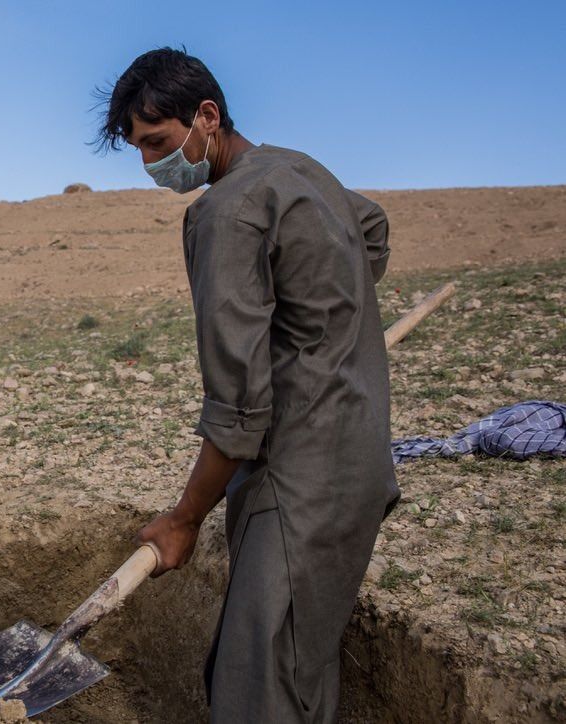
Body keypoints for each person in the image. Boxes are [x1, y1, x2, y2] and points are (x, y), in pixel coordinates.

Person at [97, 48, 398, 721]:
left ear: (207, 116)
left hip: (299, 483)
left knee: (258, 693)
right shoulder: (298, 171)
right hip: (360, 462)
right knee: (297, 670)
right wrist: (323, 328)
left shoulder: (225, 212)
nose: (151, 165)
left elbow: (236, 411)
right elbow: (371, 227)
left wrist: (182, 520)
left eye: (159, 142)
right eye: (139, 150)